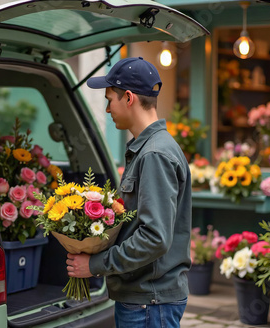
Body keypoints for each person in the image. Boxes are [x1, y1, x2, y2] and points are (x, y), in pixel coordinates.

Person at [66, 57, 192, 328]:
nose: (108, 108)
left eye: (110, 99)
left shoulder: (154, 154)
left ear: (129, 97)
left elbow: (154, 238)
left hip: (149, 301)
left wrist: (96, 263)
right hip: (147, 299)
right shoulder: (149, 148)